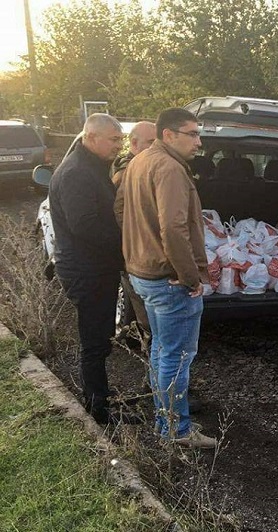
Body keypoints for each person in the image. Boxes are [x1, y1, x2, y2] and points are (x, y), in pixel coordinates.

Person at [116, 108, 215, 449]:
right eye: (193, 134)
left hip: (142, 272)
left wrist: (137, 249)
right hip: (167, 278)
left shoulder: (140, 161)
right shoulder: (170, 168)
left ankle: (165, 420)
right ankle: (177, 430)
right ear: (169, 135)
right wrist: (190, 277)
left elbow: (119, 210)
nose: (199, 142)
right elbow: (173, 227)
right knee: (178, 355)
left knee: (161, 349)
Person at [48, 113, 127, 424]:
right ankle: (97, 409)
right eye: (114, 140)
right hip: (86, 270)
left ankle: (100, 398)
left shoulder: (90, 166)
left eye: (121, 140)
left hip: (95, 267)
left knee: (101, 337)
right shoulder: (77, 173)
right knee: (94, 341)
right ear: (91, 137)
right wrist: (127, 244)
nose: (119, 146)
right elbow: (85, 226)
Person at [112, 121, 157, 343]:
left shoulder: (145, 165)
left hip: (140, 252)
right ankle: (147, 350)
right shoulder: (129, 170)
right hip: (138, 254)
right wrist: (136, 243)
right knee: (147, 317)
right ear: (134, 143)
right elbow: (119, 211)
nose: (155, 146)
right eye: (151, 142)